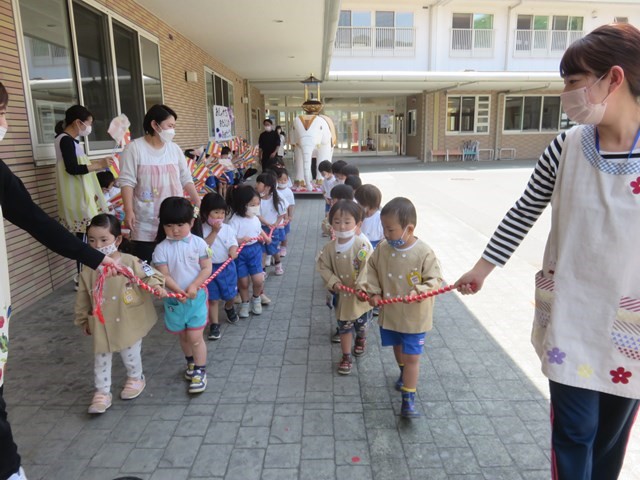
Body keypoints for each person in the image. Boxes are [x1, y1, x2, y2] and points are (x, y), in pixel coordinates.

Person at [455, 23, 640, 479]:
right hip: (571, 315)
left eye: (574, 81)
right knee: (575, 432)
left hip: (630, 322)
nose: (565, 94)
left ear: (613, 79)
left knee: (610, 438)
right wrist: (482, 268)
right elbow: (524, 210)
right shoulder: (566, 146)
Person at [0, 81, 114, 480]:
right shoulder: (65, 143)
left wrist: (97, 259)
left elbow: (31, 217)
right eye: (2, 113)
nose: (5, 122)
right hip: (76, 206)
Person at [75, 214, 165, 414]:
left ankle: (135, 377)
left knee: (130, 352)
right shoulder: (89, 268)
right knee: (101, 357)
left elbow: (149, 274)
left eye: (103, 240)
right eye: (92, 240)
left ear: (117, 240)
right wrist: (83, 319)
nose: (97, 245)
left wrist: (157, 286)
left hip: (127, 318)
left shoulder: (130, 261)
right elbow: (82, 296)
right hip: (102, 321)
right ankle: (102, 391)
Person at [362, 197, 442, 418]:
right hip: (391, 314)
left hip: (415, 317)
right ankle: (402, 372)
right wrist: (374, 292)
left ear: (409, 229)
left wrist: (419, 292)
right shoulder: (382, 249)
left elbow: (435, 279)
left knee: (412, 357)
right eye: (384, 229)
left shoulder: (424, 252)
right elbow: (371, 270)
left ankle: (408, 400)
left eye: (391, 230)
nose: (386, 234)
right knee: (397, 347)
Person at [120, 104, 201, 263]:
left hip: (174, 218)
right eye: (169, 126)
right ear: (155, 125)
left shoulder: (174, 149)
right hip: (145, 220)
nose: (172, 131)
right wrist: (128, 211)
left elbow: (185, 178)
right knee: (148, 266)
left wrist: (197, 200)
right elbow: (127, 182)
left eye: (174, 126)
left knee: (175, 264)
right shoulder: (134, 149)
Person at [152, 197, 212, 394]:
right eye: (169, 225)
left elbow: (206, 268)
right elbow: (164, 275)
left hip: (196, 297)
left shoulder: (199, 243)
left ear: (191, 222)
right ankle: (190, 363)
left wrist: (194, 286)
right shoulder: (161, 249)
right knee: (184, 336)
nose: (175, 230)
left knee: (195, 336)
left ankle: (200, 371)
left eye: (180, 225)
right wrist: (178, 291)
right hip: (174, 300)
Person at [54, 104, 113, 286]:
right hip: (76, 198)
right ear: (78, 122)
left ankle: (87, 276)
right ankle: (83, 278)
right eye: (89, 123)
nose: (90, 127)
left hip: (81, 196)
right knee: (85, 239)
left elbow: (79, 166)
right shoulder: (65, 140)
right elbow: (72, 168)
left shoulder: (71, 141)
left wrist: (99, 163)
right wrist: (99, 165)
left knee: (85, 237)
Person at [317, 200, 373, 375]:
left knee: (362, 326)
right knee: (345, 327)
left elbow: (368, 268)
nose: (342, 226)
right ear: (331, 223)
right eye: (337, 221)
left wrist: (362, 287)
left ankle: (361, 339)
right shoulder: (328, 248)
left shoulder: (362, 246)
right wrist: (333, 282)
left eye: (347, 222)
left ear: (358, 224)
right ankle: (346, 356)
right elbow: (323, 266)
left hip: (361, 298)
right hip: (342, 297)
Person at [200, 192, 239, 341]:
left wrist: (233, 250)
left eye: (222, 213)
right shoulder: (200, 230)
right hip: (209, 269)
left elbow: (233, 243)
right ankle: (214, 324)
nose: (220, 216)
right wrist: (214, 232)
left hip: (226, 267)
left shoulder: (227, 228)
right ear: (206, 213)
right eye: (216, 212)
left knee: (230, 295)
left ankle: (229, 307)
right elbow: (203, 247)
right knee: (213, 298)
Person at [227, 185, 271, 318]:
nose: (256, 208)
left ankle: (256, 298)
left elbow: (259, 229)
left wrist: (265, 237)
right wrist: (240, 240)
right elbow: (229, 239)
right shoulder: (234, 221)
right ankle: (245, 303)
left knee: (258, 280)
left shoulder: (255, 218)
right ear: (241, 205)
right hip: (240, 253)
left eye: (257, 204)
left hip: (255, 251)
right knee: (243, 282)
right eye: (252, 205)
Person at [255, 171, 287, 276]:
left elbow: (282, 213)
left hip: (273, 230)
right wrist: (267, 223)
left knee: (273, 248)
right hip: (260, 229)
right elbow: (257, 215)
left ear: (267, 187)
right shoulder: (257, 200)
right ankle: (262, 270)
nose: (256, 185)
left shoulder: (276, 199)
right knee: (262, 250)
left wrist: (276, 223)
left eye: (259, 183)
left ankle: (278, 263)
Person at [355, 184, 383, 249]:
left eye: (359, 203)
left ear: (368, 205)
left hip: (374, 246)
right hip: (359, 244)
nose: (357, 205)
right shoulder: (358, 215)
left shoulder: (380, 218)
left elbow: (384, 237)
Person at [275, 168, 295, 257]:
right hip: (276, 217)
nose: (282, 182)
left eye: (285, 180)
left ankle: (283, 247)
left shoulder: (289, 192)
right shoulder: (274, 190)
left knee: (285, 233)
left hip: (285, 218)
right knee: (276, 233)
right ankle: (277, 246)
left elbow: (291, 204)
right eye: (280, 180)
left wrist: (290, 216)